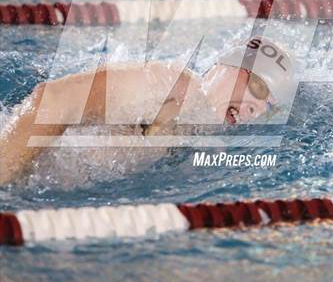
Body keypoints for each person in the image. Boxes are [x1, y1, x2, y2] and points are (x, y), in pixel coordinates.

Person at [0, 36, 294, 184]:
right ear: (227, 66)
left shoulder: (196, 128)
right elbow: (52, 99)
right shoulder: (172, 87)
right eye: (257, 86)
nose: (255, 109)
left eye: (267, 107)